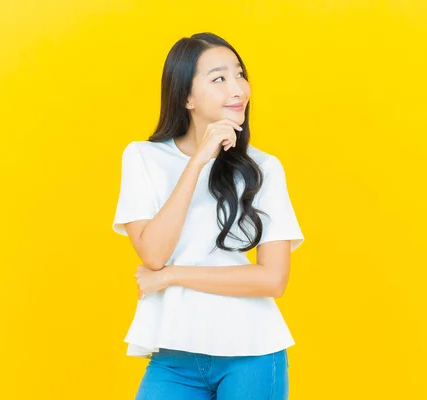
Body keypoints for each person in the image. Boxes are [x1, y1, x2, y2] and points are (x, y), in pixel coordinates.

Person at [112, 32, 304, 400]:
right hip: (174, 354)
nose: (238, 89)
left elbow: (273, 279)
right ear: (186, 97)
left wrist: (172, 276)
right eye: (219, 79)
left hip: (252, 351)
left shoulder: (264, 168)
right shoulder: (142, 158)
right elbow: (151, 253)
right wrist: (199, 161)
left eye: (239, 74)